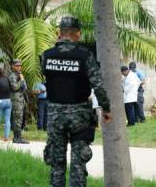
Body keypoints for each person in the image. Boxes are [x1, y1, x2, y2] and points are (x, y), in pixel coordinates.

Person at [41, 16, 113, 187]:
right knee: (78, 164)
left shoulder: (46, 56)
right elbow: (98, 85)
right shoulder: (85, 55)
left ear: (59, 34)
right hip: (79, 115)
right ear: (78, 34)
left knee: (56, 163)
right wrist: (106, 108)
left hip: (54, 115)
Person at [8, 59, 29, 144]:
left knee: (20, 118)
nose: (19, 67)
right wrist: (22, 80)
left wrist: (22, 80)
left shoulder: (19, 75)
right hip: (16, 99)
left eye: (20, 66)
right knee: (17, 119)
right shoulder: (12, 76)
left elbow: (25, 88)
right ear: (13, 66)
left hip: (21, 98)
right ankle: (17, 137)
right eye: (17, 66)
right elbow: (15, 87)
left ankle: (18, 137)